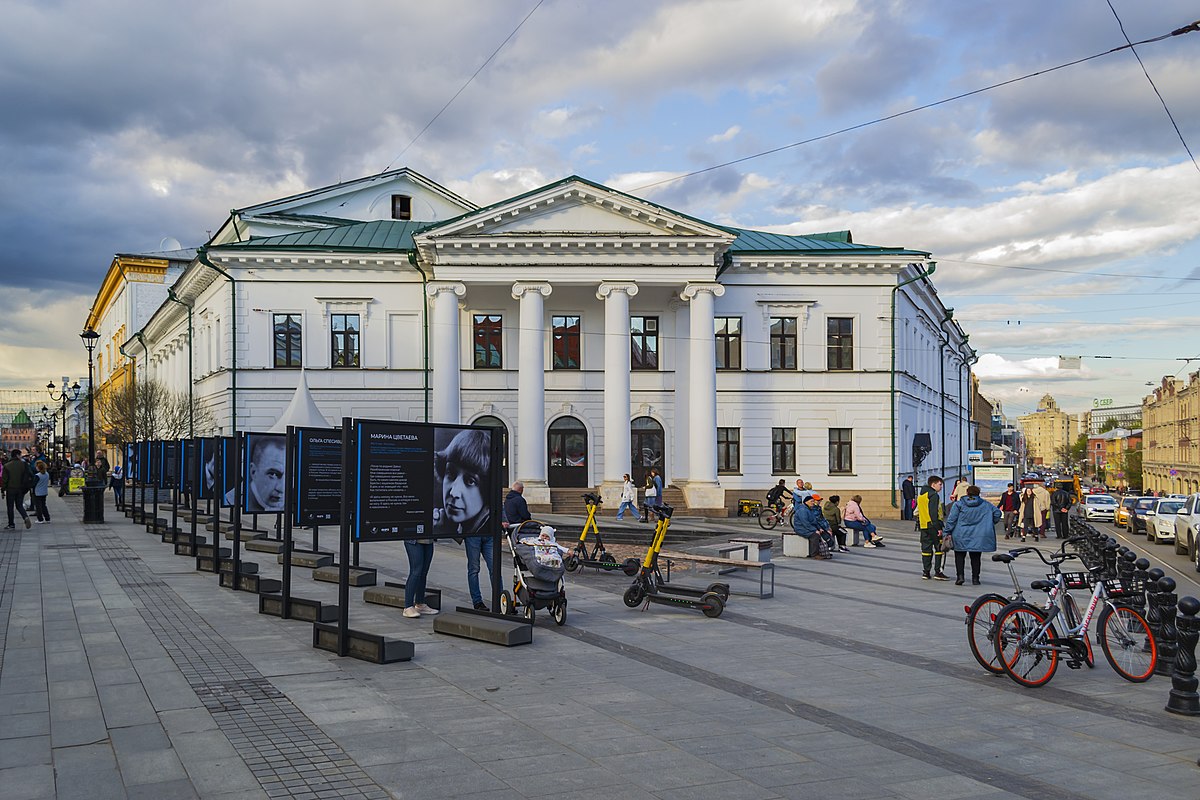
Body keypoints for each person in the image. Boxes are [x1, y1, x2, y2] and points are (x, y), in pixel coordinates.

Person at [432, 430, 494, 611]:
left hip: (487, 535)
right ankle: (478, 602)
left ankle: (498, 599)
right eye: (451, 474)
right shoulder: (454, 523)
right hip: (473, 536)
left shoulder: (485, 517)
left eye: (470, 481)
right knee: (475, 569)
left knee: (489, 568)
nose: (453, 492)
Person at [943, 485, 1001, 586]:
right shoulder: (985, 504)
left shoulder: (959, 504)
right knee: (976, 557)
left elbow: (951, 520)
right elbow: (997, 513)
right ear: (978, 493)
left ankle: (960, 577)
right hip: (978, 535)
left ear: (967, 493)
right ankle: (975, 578)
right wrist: (989, 523)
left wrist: (947, 531)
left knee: (959, 555)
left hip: (960, 534)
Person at [916, 475, 948, 580]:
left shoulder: (921, 495)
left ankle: (926, 572)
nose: (941, 487)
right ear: (933, 484)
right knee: (939, 548)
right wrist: (938, 527)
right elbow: (933, 512)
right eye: (940, 484)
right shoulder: (933, 495)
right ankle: (938, 572)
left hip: (924, 525)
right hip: (933, 525)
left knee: (926, 549)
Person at [244, 437, 285, 513]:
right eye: (273, 474)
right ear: (253, 472)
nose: (281, 488)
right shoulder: (233, 499)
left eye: (291, 476)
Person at [402, 537, 437, 618]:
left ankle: (420, 603)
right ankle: (408, 606)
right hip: (413, 539)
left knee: (423, 572)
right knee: (416, 571)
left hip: (428, 539)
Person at [793, 492, 831, 559]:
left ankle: (823, 551)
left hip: (809, 527)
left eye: (813, 501)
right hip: (801, 528)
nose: (813, 503)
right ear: (806, 502)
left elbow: (815, 521)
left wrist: (819, 528)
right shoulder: (803, 510)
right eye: (811, 501)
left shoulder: (809, 509)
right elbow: (805, 523)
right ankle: (814, 554)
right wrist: (815, 530)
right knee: (815, 536)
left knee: (824, 534)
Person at [2, 450, 32, 530]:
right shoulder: (23, 464)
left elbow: (5, 479)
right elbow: (28, 475)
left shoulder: (7, 465)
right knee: (19, 505)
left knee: (10, 507)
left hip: (10, 489)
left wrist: (3, 490)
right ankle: (25, 517)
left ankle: (11, 524)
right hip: (20, 489)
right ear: (17, 455)